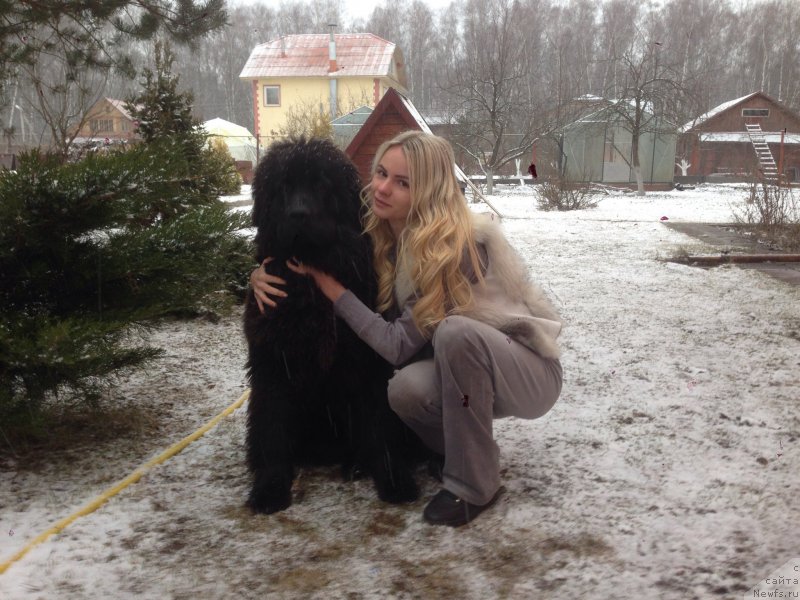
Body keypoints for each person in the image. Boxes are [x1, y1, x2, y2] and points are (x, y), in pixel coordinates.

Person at [250, 131, 563, 527]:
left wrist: (328, 287)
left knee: (454, 333)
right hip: (464, 366)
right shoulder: (383, 230)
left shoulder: (456, 247)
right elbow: (302, 225)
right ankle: (451, 449)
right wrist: (259, 273)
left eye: (403, 182)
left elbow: (396, 346)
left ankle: (473, 484)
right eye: (380, 173)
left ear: (429, 190)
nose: (382, 188)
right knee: (406, 390)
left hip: (525, 367)